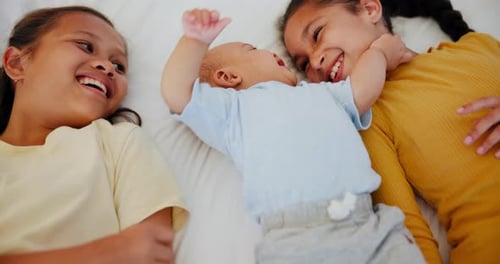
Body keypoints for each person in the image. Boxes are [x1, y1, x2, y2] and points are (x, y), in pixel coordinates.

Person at [162, 8, 424, 264]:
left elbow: (362, 90)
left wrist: (378, 52)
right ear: (229, 77)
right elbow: (177, 92)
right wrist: (195, 41)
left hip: (366, 223)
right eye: (252, 50)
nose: (272, 52)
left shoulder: (322, 93)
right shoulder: (231, 111)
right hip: (295, 237)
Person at [279, 0, 500, 263]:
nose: (315, 62)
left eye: (317, 34)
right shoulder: (368, 121)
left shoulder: (480, 47)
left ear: (369, 9)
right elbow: (406, 236)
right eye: (303, 65)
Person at [0, 5, 187, 263]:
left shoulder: (118, 143)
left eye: (119, 66)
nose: (108, 68)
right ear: (16, 63)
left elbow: (150, 250)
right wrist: (107, 253)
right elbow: (132, 252)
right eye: (85, 46)